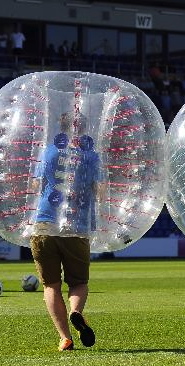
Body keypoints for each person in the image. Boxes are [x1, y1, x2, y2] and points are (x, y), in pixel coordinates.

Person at [30, 112, 101, 351]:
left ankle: (65, 338)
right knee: (78, 282)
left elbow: (34, 186)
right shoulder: (91, 156)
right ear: (85, 129)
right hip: (76, 227)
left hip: (44, 224)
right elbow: (99, 191)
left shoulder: (48, 151)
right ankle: (76, 311)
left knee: (51, 285)